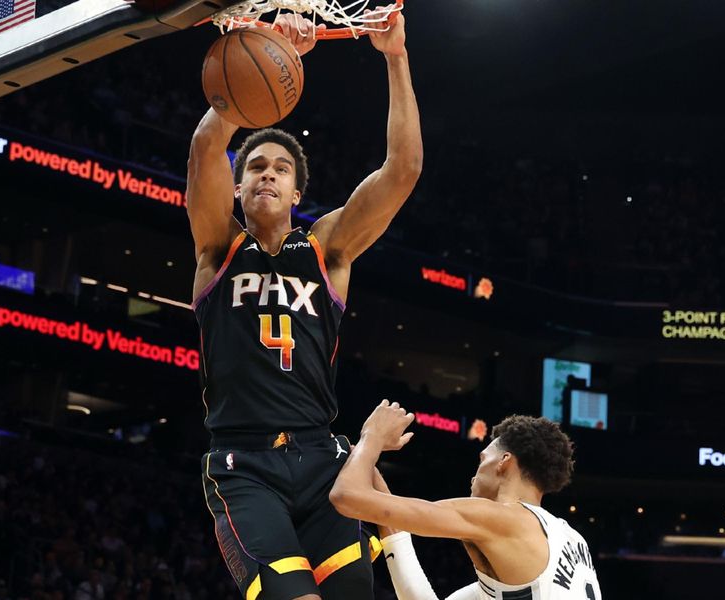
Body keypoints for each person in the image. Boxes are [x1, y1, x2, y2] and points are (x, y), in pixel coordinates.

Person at [186, 6, 422, 600]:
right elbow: (201, 153)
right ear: (237, 185)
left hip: (326, 463)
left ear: (298, 190)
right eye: (256, 166)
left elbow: (403, 169)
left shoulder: (328, 250)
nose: (268, 173)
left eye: (282, 167)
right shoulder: (217, 248)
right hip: (244, 466)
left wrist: (396, 58)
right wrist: (265, 58)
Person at [330, 401, 602, 599]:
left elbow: (346, 496)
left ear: (504, 462)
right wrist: (382, 495)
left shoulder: (504, 519)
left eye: (482, 460)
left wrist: (371, 438)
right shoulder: (570, 539)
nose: (474, 475)